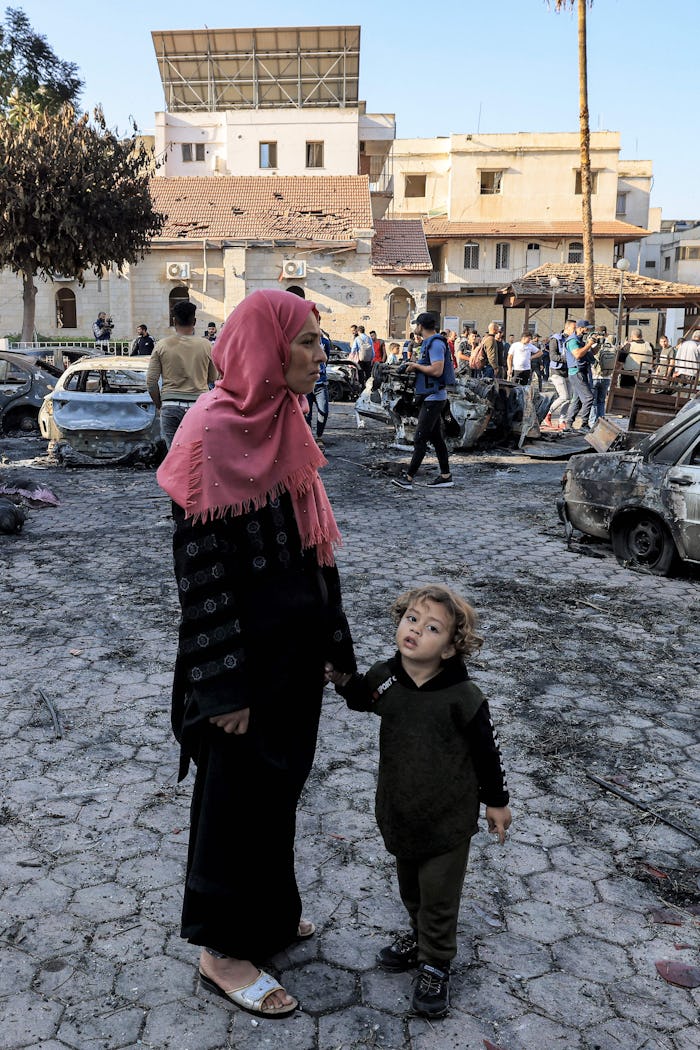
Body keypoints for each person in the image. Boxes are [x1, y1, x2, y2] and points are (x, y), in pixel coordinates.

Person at [156, 289, 356, 1020]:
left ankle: (268, 918)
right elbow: (201, 580)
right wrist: (222, 688)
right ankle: (221, 948)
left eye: (317, 341)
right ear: (266, 350)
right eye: (304, 342)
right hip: (238, 667)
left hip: (293, 660)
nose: (318, 353)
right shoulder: (209, 435)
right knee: (232, 806)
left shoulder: (287, 421)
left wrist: (336, 643)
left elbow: (316, 552)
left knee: (278, 793)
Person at [325, 584, 511, 1020]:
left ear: (449, 649)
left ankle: (436, 962)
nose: (415, 630)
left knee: (439, 897)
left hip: (448, 818)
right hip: (400, 810)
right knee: (412, 888)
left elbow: (489, 751)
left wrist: (497, 802)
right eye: (411, 619)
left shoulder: (463, 698)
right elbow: (361, 698)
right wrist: (341, 680)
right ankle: (417, 934)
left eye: (431, 628)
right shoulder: (386, 678)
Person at [392, 313, 454, 490]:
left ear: (420, 326)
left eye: (416, 325)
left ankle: (409, 479)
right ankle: (446, 476)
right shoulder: (432, 343)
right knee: (437, 439)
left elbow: (436, 370)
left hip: (433, 398)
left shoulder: (434, 344)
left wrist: (416, 366)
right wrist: (414, 364)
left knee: (420, 438)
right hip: (433, 396)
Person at [146, 300, 218, 448]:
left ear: (174, 320)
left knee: (174, 456)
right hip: (198, 406)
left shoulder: (162, 345)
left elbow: (151, 382)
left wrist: (160, 404)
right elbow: (213, 378)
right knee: (197, 454)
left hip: (170, 405)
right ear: (195, 321)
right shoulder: (206, 346)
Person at [561, 319, 596, 434]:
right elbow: (578, 354)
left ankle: (568, 424)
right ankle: (584, 424)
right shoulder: (572, 341)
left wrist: (596, 344)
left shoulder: (580, 340)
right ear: (581, 328)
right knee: (588, 398)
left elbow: (588, 353)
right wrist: (589, 344)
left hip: (580, 372)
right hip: (576, 373)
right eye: (587, 328)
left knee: (577, 400)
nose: (588, 330)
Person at [543, 329, 571, 429]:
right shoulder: (555, 340)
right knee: (564, 397)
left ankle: (561, 420)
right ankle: (547, 413)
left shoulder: (573, 340)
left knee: (568, 399)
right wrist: (569, 359)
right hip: (557, 371)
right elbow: (553, 356)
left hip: (568, 372)